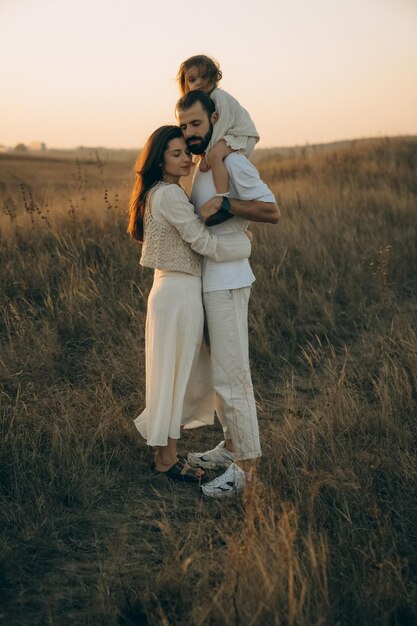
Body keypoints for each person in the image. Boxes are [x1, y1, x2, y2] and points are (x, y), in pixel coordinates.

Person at [128, 125, 253, 484]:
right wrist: (242, 245)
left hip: (172, 291)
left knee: (177, 375)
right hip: (179, 293)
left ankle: (165, 453)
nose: (186, 158)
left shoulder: (166, 192)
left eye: (186, 151)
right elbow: (200, 240)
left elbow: (193, 232)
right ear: (159, 159)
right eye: (176, 153)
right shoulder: (167, 194)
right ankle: (166, 460)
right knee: (176, 376)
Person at [176, 90, 280, 498]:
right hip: (206, 282)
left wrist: (229, 206)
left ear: (215, 118)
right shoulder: (200, 168)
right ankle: (231, 446)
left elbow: (271, 210)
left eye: (196, 124)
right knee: (220, 376)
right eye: (184, 126)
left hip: (230, 281)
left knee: (234, 375)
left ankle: (246, 469)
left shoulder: (233, 162)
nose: (190, 133)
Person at [177, 54, 259, 198]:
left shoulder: (218, 97)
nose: (199, 83)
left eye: (204, 77)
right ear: (186, 84)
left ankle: (222, 198)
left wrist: (206, 154)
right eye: (192, 79)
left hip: (240, 134)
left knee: (215, 156)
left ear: (215, 78)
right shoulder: (204, 101)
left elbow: (221, 126)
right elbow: (206, 131)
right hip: (228, 134)